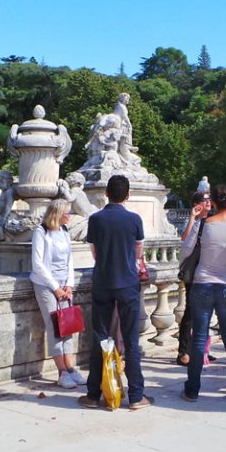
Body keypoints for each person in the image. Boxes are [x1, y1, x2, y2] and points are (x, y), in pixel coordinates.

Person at [78, 175, 153, 410]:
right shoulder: (134, 220)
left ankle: (93, 393)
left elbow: (94, 251)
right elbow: (138, 252)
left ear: (106, 194)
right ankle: (136, 396)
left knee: (100, 337)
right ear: (128, 195)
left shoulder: (96, 219)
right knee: (131, 339)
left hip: (103, 281)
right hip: (128, 283)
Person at [181, 185, 226, 403]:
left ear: (214, 203)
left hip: (202, 284)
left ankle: (192, 389)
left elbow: (186, 251)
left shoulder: (202, 225)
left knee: (199, 337)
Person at [29, 199, 85, 389]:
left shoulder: (65, 231)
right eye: (67, 213)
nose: (70, 216)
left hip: (63, 284)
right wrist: (55, 287)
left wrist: (69, 284)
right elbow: (38, 264)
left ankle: (70, 368)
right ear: (58, 214)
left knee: (68, 326)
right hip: (46, 285)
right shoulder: (41, 232)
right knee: (55, 326)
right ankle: (61, 372)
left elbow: (70, 260)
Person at [176, 191, 212, 366]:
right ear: (197, 203)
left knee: (204, 313)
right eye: (205, 200)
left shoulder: (212, 221)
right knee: (190, 312)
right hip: (194, 272)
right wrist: (192, 217)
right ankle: (183, 351)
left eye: (209, 199)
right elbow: (185, 239)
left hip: (207, 271)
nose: (209, 202)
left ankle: (201, 349)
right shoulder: (193, 220)